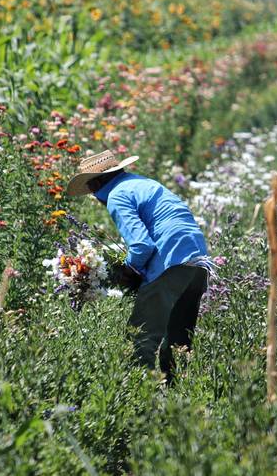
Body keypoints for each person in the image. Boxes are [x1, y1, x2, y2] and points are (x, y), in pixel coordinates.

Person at [66, 150, 210, 381]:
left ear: (97, 183)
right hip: (198, 260)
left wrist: (127, 270)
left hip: (170, 258)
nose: (93, 195)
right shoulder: (140, 183)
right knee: (178, 342)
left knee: (140, 337)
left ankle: (142, 400)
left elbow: (142, 245)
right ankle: (176, 399)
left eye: (91, 188)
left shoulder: (116, 195)